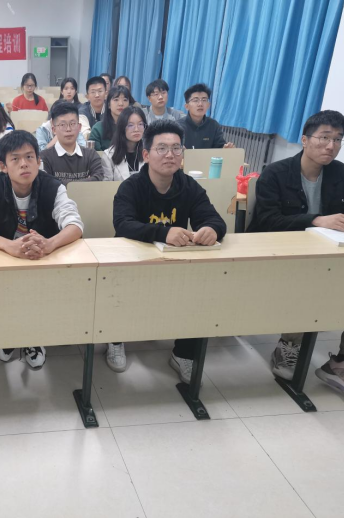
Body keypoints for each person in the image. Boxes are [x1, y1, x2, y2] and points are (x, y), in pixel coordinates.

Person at [247, 110, 344, 406]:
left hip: (331, 256)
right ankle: (289, 345)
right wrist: (316, 220)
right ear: (305, 140)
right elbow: (267, 221)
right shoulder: (276, 173)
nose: (331, 146)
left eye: (337, 140)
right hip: (285, 255)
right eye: (324, 137)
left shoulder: (340, 173)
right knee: (308, 283)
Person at [111, 120, 227, 376]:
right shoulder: (131, 187)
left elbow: (215, 219)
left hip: (175, 265)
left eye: (176, 148)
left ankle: (183, 353)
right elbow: (123, 224)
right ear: (146, 154)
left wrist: (211, 229)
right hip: (134, 263)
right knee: (114, 285)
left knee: (202, 288)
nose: (170, 155)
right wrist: (164, 233)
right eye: (161, 148)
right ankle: (115, 338)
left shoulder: (189, 186)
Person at [0, 131, 84, 370]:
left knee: (38, 292)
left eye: (30, 157)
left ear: (38, 161)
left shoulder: (53, 186)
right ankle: (8, 333)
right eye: (15, 158)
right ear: (3, 166)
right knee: (4, 291)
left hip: (42, 256)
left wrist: (50, 244)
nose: (24, 164)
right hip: (4, 255)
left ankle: (34, 336)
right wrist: (8, 246)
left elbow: (75, 224)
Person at [41, 102, 105, 185]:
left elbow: (99, 178)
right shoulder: (45, 157)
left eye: (72, 124)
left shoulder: (91, 155)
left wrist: (58, 182)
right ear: (54, 130)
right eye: (62, 125)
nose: (68, 129)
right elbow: (48, 183)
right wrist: (87, 181)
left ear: (79, 127)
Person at [180, 83, 234, 149]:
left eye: (204, 100)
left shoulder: (214, 125)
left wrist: (226, 148)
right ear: (187, 106)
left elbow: (219, 147)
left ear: (208, 105)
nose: (200, 104)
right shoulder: (178, 126)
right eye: (195, 100)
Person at [102, 106, 147, 181]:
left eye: (140, 124)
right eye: (130, 125)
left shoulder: (150, 152)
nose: (136, 129)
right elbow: (107, 185)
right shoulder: (109, 156)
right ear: (122, 127)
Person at [88, 85, 133, 151]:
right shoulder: (98, 128)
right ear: (109, 104)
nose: (121, 103)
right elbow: (94, 154)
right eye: (116, 100)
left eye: (125, 100)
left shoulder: (134, 127)